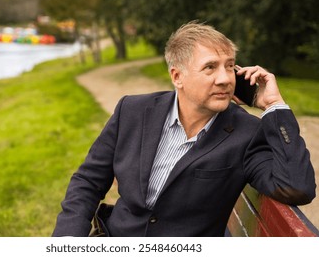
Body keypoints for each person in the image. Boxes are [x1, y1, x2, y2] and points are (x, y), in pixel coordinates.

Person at [52, 21, 316, 237]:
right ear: (177, 76)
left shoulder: (247, 133)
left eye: (229, 65)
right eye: (210, 67)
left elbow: (297, 187)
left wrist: (274, 106)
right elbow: (87, 182)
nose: (225, 79)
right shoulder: (132, 111)